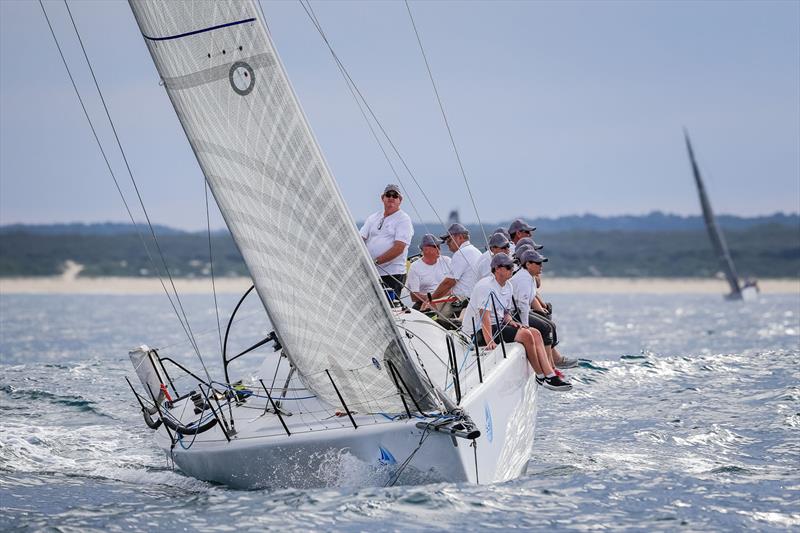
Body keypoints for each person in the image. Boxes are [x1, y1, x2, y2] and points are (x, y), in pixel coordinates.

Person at [460, 253, 571, 391]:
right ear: (497, 269)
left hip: (497, 325)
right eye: (508, 267)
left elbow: (505, 312)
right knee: (526, 335)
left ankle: (550, 375)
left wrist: (511, 321)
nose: (512, 269)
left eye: (512, 266)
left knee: (536, 333)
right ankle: (540, 376)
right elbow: (484, 317)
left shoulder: (508, 286)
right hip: (478, 331)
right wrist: (490, 341)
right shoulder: (485, 286)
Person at [359, 184, 414, 298]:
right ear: (382, 198)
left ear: (400, 200)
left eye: (395, 196)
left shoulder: (403, 219)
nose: (391, 198)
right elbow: (360, 239)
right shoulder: (373, 217)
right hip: (372, 273)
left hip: (392, 274)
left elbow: (399, 248)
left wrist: (375, 262)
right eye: (388, 195)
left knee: (389, 306)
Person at [429, 223, 482, 312]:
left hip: (463, 302)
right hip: (475, 300)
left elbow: (448, 283)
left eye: (449, 240)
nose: (447, 243)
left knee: (430, 312)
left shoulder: (461, 253)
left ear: (460, 237)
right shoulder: (476, 251)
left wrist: (430, 300)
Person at [407, 234, 452, 309]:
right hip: (425, 303)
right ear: (426, 250)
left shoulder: (447, 261)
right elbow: (414, 296)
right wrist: (431, 299)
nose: (439, 249)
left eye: (439, 246)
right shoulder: (415, 267)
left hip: (447, 299)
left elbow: (455, 283)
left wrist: (435, 298)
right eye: (436, 246)